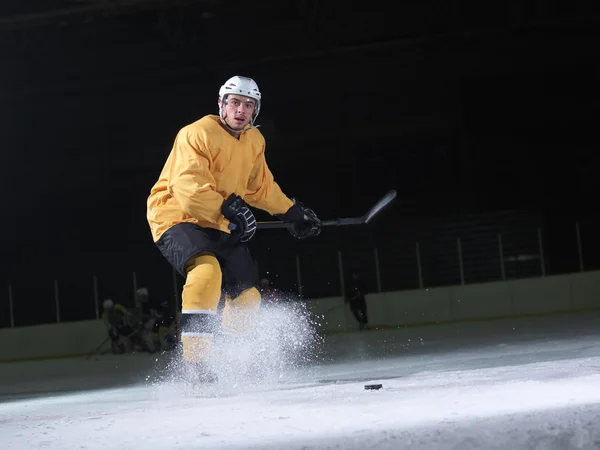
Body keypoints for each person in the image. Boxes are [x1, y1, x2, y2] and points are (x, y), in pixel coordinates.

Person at [146, 75, 321, 382]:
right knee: (206, 272)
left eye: (249, 105)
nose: (241, 110)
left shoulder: (254, 140)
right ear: (221, 105)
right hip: (176, 216)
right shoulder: (196, 133)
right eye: (235, 102)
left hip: (217, 218)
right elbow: (186, 186)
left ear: (255, 111)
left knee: (247, 292)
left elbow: (260, 187)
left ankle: (233, 359)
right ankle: (196, 364)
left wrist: (291, 212)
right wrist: (227, 211)